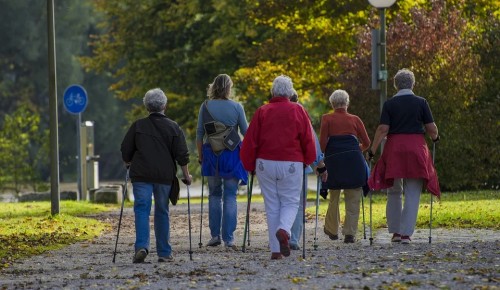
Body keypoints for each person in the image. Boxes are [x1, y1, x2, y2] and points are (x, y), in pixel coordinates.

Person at [240, 75, 317, 260]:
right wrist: (308, 159)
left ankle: (276, 251)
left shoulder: (262, 111)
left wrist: (249, 164)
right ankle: (284, 230)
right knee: (290, 202)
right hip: (291, 162)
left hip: (265, 163)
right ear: (290, 92)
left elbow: (250, 141)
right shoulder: (298, 110)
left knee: (272, 205)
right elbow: (308, 138)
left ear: (273, 92)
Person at [367, 68, 440, 244]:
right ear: (413, 84)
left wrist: (372, 150)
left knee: (393, 190)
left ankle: (396, 232)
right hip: (416, 148)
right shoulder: (421, 102)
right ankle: (407, 233)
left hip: (394, 149)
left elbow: (383, 129)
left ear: (395, 85)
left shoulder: (389, 104)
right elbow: (431, 128)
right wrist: (436, 137)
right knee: (413, 191)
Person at [121, 88, 192, 263]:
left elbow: (125, 148)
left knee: (141, 210)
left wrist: (128, 161)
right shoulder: (174, 127)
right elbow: (182, 154)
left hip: (141, 175)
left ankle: (142, 247)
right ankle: (165, 252)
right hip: (163, 176)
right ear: (164, 106)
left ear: (147, 107)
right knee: (162, 211)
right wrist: (187, 175)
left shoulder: (138, 125)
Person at [196, 74, 248, 250]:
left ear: (213, 87)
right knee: (230, 195)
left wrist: (200, 155)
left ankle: (215, 236)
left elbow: (199, 134)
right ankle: (229, 238)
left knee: (214, 194)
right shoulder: (237, 107)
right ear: (229, 88)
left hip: (211, 154)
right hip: (232, 155)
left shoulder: (205, 107)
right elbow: (246, 133)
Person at [319, 89, 371, 243]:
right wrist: (355, 150)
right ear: (347, 103)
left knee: (334, 196)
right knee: (354, 196)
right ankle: (350, 233)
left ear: (332, 103)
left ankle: (332, 229)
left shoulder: (326, 119)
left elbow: (322, 146)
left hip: (334, 161)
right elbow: (367, 143)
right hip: (354, 161)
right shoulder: (355, 119)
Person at [289, 89, 327, 250]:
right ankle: (294, 238)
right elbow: (313, 142)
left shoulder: (270, 114)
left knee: (280, 203)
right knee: (297, 204)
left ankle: (280, 236)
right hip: (299, 166)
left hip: (275, 165)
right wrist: (321, 166)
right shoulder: (301, 115)